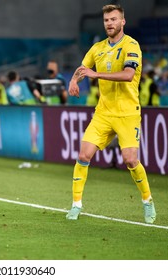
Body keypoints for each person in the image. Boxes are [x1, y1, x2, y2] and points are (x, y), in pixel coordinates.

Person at [66, 4, 156, 224]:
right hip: (103, 113)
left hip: (127, 113)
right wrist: (73, 80)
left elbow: (128, 75)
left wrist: (96, 74)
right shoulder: (97, 48)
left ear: (122, 21)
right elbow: (82, 68)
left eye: (114, 19)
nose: (110, 23)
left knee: (130, 160)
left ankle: (147, 200)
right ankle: (76, 205)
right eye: (107, 20)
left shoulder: (131, 45)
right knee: (83, 155)